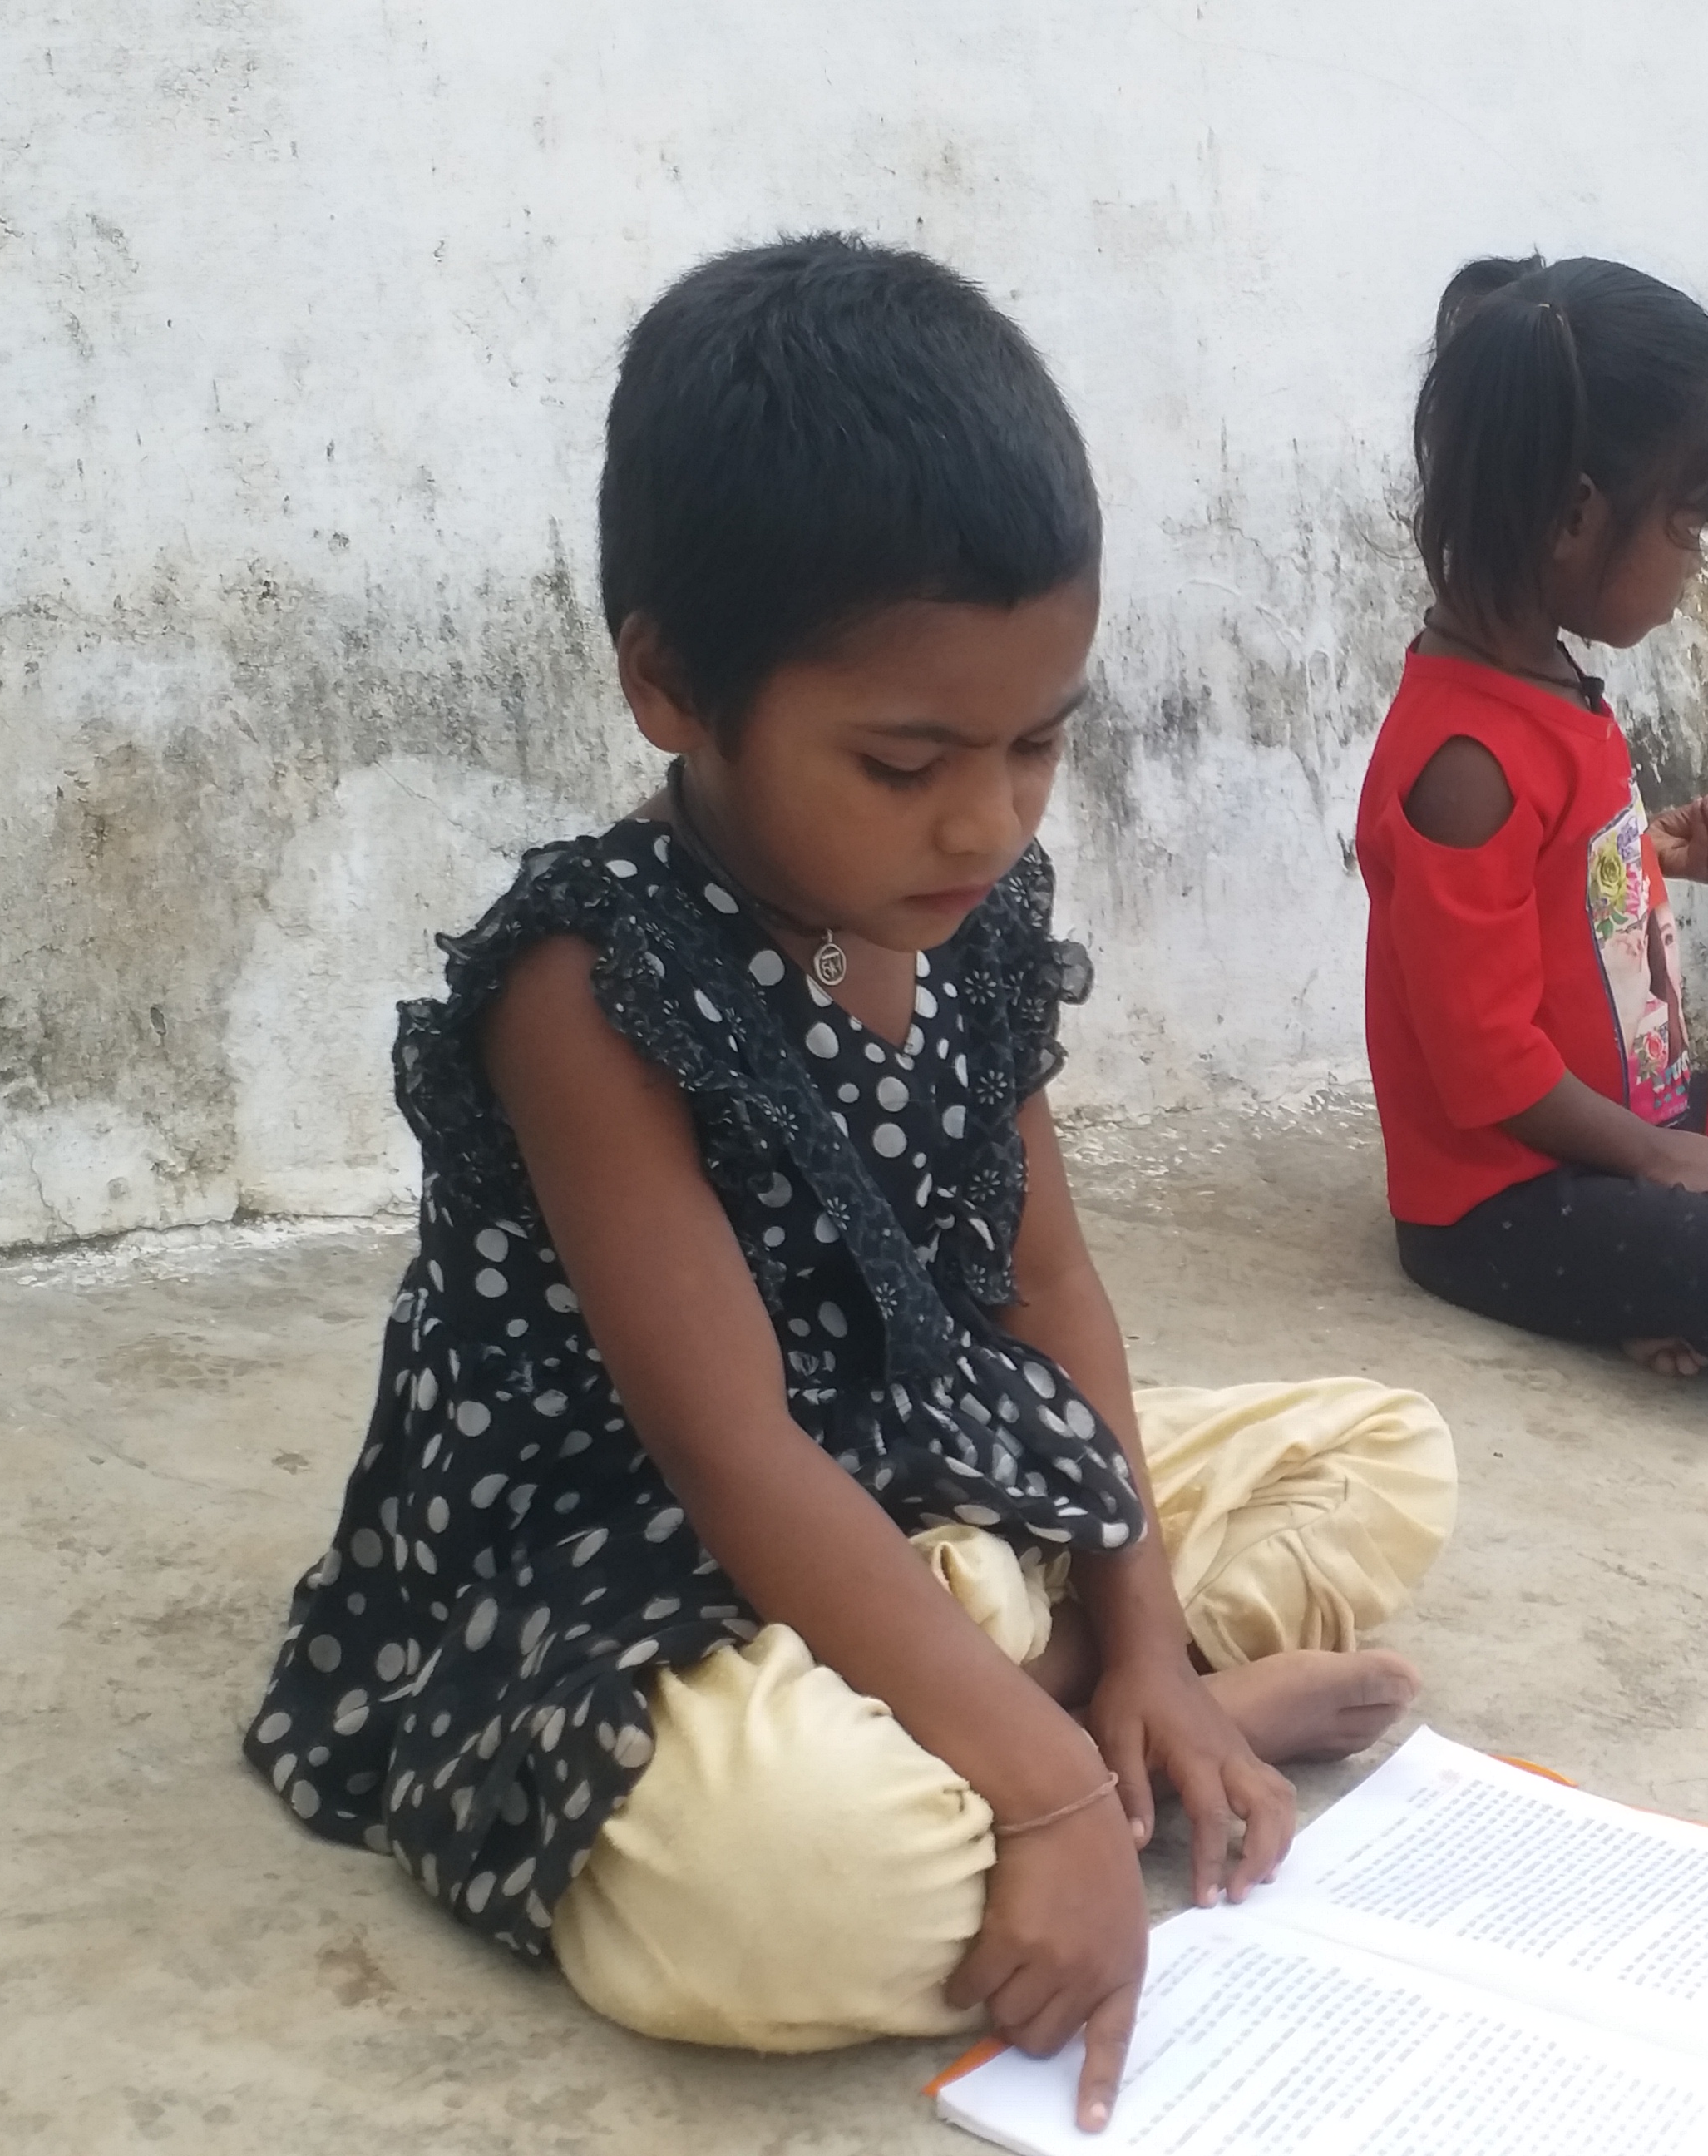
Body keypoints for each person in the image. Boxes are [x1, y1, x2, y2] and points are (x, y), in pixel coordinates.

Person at [242, 239, 1458, 2132]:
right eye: (904, 760)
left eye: (1039, 743)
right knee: (799, 1883)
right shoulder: (592, 986)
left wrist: (1143, 1624)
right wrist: (1059, 1802)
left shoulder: (967, 922)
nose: (984, 819)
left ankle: (1079, 1684)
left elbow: (1048, 1297)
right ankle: (1041, 1739)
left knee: (1384, 1453)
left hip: (917, 1458)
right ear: (670, 684)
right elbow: (728, 1453)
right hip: (628, 1554)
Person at [1358, 255, 1708, 1375]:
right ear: (1576, 514)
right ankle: (1707, 1248)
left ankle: (1701, 1233)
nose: (1693, 569)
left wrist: (1653, 854)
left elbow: (1547, 881)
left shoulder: (1546, 686)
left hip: (1627, 1121)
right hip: (1503, 1199)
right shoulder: (1462, 762)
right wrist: (1650, 1158)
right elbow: (1483, 1065)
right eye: (1689, 531)